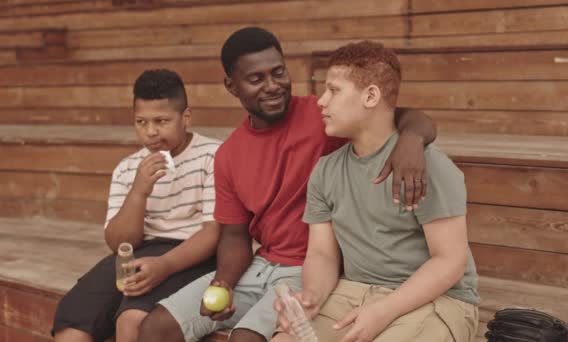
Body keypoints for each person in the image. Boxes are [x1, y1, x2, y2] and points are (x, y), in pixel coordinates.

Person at [138, 27, 436, 342]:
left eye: (278, 73)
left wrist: (412, 139)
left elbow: (406, 117)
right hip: (261, 265)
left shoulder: (325, 116)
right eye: (256, 79)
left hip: (315, 267)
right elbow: (235, 237)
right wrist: (223, 282)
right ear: (231, 86)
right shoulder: (228, 155)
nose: (273, 86)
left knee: (244, 339)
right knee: (155, 327)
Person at [273, 41, 480, 342]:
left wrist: (384, 310)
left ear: (370, 95)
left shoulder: (427, 166)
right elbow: (322, 254)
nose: (321, 101)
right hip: (354, 290)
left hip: (437, 299)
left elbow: (450, 261)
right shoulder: (325, 171)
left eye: (334, 90)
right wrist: (312, 297)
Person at [52, 69, 221, 342]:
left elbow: (214, 232)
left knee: (133, 320)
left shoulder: (213, 156)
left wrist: (164, 265)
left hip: (192, 253)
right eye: (141, 122)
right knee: (72, 323)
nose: (150, 132)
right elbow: (119, 243)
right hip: (137, 253)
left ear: (186, 117)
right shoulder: (128, 167)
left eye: (161, 121)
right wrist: (139, 192)